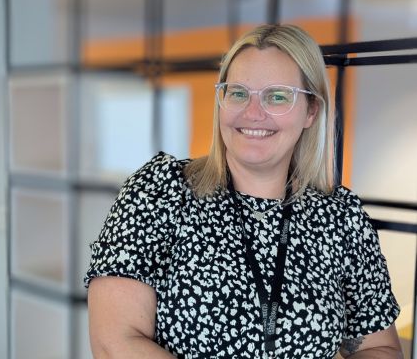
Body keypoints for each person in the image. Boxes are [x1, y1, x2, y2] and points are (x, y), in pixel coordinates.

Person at [84, 24, 402, 358]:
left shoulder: (340, 217)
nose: (252, 113)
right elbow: (114, 342)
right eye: (237, 93)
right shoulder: (161, 191)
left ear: (311, 110)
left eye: (277, 96)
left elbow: (380, 347)